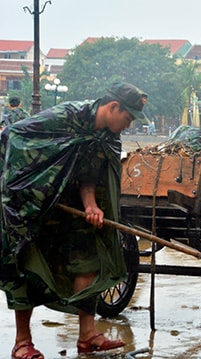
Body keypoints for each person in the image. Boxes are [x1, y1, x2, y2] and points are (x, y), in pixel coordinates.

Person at [0, 82, 149, 358]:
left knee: (88, 258)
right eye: (127, 119)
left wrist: (92, 206)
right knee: (25, 266)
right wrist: (36, 188)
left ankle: (88, 335)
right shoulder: (67, 116)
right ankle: (22, 343)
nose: (128, 126)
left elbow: (88, 177)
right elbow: (14, 134)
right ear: (113, 107)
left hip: (68, 206)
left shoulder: (105, 137)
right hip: (29, 203)